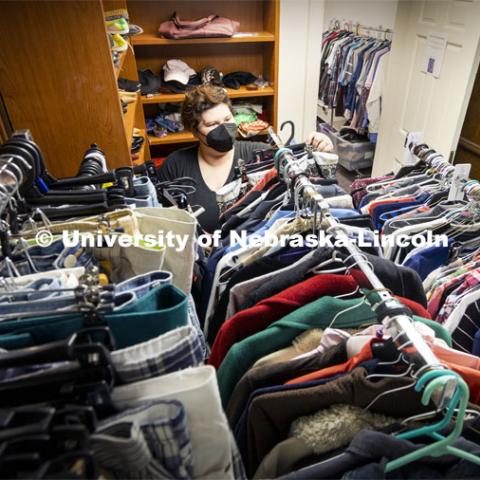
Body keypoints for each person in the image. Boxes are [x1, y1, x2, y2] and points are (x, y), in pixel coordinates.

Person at [157, 84, 334, 232]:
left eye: (227, 119)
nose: (224, 128)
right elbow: (162, 222)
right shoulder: (175, 166)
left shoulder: (261, 157)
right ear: (195, 130)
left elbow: (306, 176)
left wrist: (321, 147)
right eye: (212, 124)